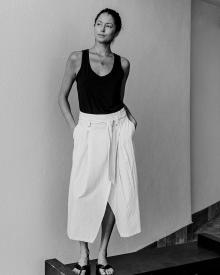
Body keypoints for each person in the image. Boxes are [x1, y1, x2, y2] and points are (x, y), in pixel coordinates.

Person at [58, 8, 141, 275]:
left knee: (115, 191)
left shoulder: (123, 64)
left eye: (109, 25)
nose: (103, 28)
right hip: (89, 129)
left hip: (117, 128)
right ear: (94, 26)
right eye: (99, 23)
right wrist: (75, 130)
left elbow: (116, 98)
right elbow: (62, 98)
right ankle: (83, 252)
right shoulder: (76, 59)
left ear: (116, 31)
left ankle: (103, 251)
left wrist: (130, 119)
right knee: (83, 190)